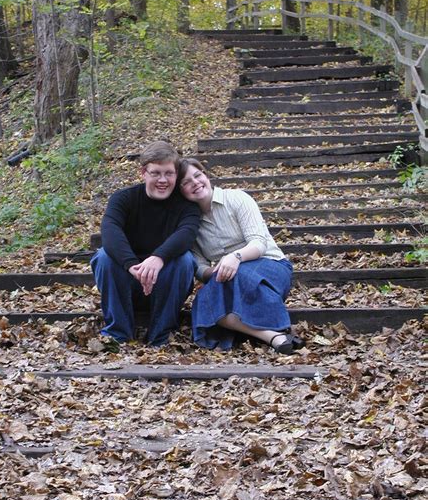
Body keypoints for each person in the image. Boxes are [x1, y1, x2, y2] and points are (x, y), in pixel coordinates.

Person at [177, 158, 304, 354]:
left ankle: (271, 327)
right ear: (181, 191)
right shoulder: (191, 224)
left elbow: (258, 243)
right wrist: (217, 271)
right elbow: (199, 267)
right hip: (227, 281)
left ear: (206, 175)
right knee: (203, 299)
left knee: (241, 274)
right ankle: (273, 336)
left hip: (271, 267)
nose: (195, 183)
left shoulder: (236, 199)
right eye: (186, 182)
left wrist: (234, 258)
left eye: (198, 175)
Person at [91, 142, 200, 346]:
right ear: (144, 172)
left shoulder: (187, 206)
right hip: (126, 282)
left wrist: (158, 258)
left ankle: (161, 335)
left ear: (176, 174)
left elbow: (187, 234)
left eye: (168, 173)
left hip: (166, 283)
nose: (162, 180)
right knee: (104, 256)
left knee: (185, 260)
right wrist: (131, 265)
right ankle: (118, 333)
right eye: (156, 173)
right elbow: (110, 230)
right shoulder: (124, 199)